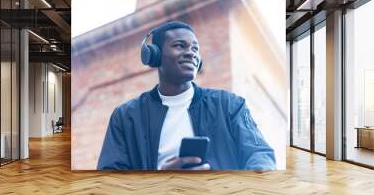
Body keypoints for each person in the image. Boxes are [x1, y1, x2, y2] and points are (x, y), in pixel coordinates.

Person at [97, 21, 276, 170]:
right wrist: (161, 179)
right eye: (179, 46)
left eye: (195, 49)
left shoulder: (230, 104)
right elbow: (110, 177)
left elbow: (259, 154)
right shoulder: (125, 116)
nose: (191, 53)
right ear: (155, 56)